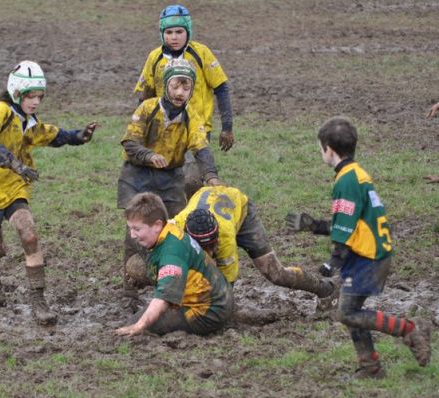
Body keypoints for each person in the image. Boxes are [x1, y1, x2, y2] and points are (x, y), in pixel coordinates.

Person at [287, 116, 431, 378]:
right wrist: (314, 225)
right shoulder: (356, 174)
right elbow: (351, 222)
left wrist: (334, 261)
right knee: (351, 309)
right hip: (366, 253)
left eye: (320, 148)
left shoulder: (346, 180)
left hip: (369, 257)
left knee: (348, 312)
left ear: (328, 149)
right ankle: (371, 367)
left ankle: (409, 329)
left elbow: (345, 229)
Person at [0, 60, 98, 325]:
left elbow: (49, 135)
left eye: (39, 96)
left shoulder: (28, 120)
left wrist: (77, 136)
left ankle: (39, 300)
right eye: (30, 96)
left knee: (29, 233)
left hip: (13, 186)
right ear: (16, 93)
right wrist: (14, 163)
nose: (35, 102)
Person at [118, 58, 220, 299]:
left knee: (176, 227)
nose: (180, 93)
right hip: (138, 175)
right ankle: (129, 288)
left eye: (186, 88)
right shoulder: (147, 108)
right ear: (165, 85)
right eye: (175, 86)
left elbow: (201, 148)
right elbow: (129, 142)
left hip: (171, 177)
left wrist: (212, 177)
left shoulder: (191, 117)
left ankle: (176, 280)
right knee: (135, 231)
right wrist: (149, 155)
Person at [125, 185, 335, 302]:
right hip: (208, 200)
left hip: (241, 212)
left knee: (274, 272)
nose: (209, 252)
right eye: (203, 248)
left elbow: (225, 287)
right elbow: (157, 249)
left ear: (216, 239)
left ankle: (325, 288)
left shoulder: (225, 239)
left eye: (211, 247)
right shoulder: (175, 227)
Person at [134, 4, 234, 197]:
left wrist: (227, 127)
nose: (174, 37)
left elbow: (221, 88)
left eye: (179, 31)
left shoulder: (201, 53)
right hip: (163, 132)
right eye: (169, 32)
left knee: (190, 181)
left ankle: (194, 218)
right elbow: (144, 97)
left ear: (188, 31)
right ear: (162, 33)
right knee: (162, 184)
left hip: (196, 130)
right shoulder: (154, 58)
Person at [115, 192, 233, 336]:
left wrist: (139, 326)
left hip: (208, 312)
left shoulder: (171, 253)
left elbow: (164, 297)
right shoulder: (169, 228)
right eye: (130, 228)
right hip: (218, 296)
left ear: (157, 225)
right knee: (139, 318)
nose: (132, 235)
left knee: (137, 327)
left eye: (137, 229)